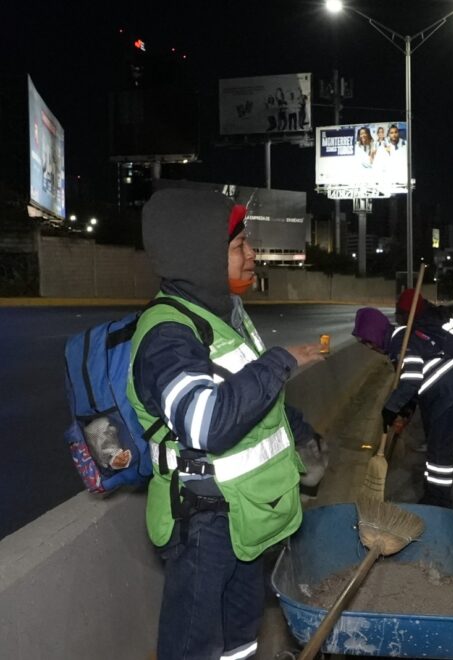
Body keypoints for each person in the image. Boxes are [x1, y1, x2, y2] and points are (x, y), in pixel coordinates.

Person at [127, 188, 326, 660]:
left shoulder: (225, 316)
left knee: (240, 642)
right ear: (200, 255)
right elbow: (206, 423)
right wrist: (279, 362)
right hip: (202, 522)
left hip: (243, 514)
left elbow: (255, 401)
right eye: (239, 245)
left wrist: (300, 435)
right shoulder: (168, 334)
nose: (252, 254)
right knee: (194, 648)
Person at [352, 307, 453, 507]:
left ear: (375, 333)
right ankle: (432, 494)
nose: (370, 347)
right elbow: (412, 385)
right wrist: (403, 413)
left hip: (451, 395)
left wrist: (390, 408)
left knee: (440, 453)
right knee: (435, 449)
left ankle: (440, 502)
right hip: (444, 395)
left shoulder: (400, 342)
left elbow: (412, 378)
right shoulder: (400, 339)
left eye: (368, 341)